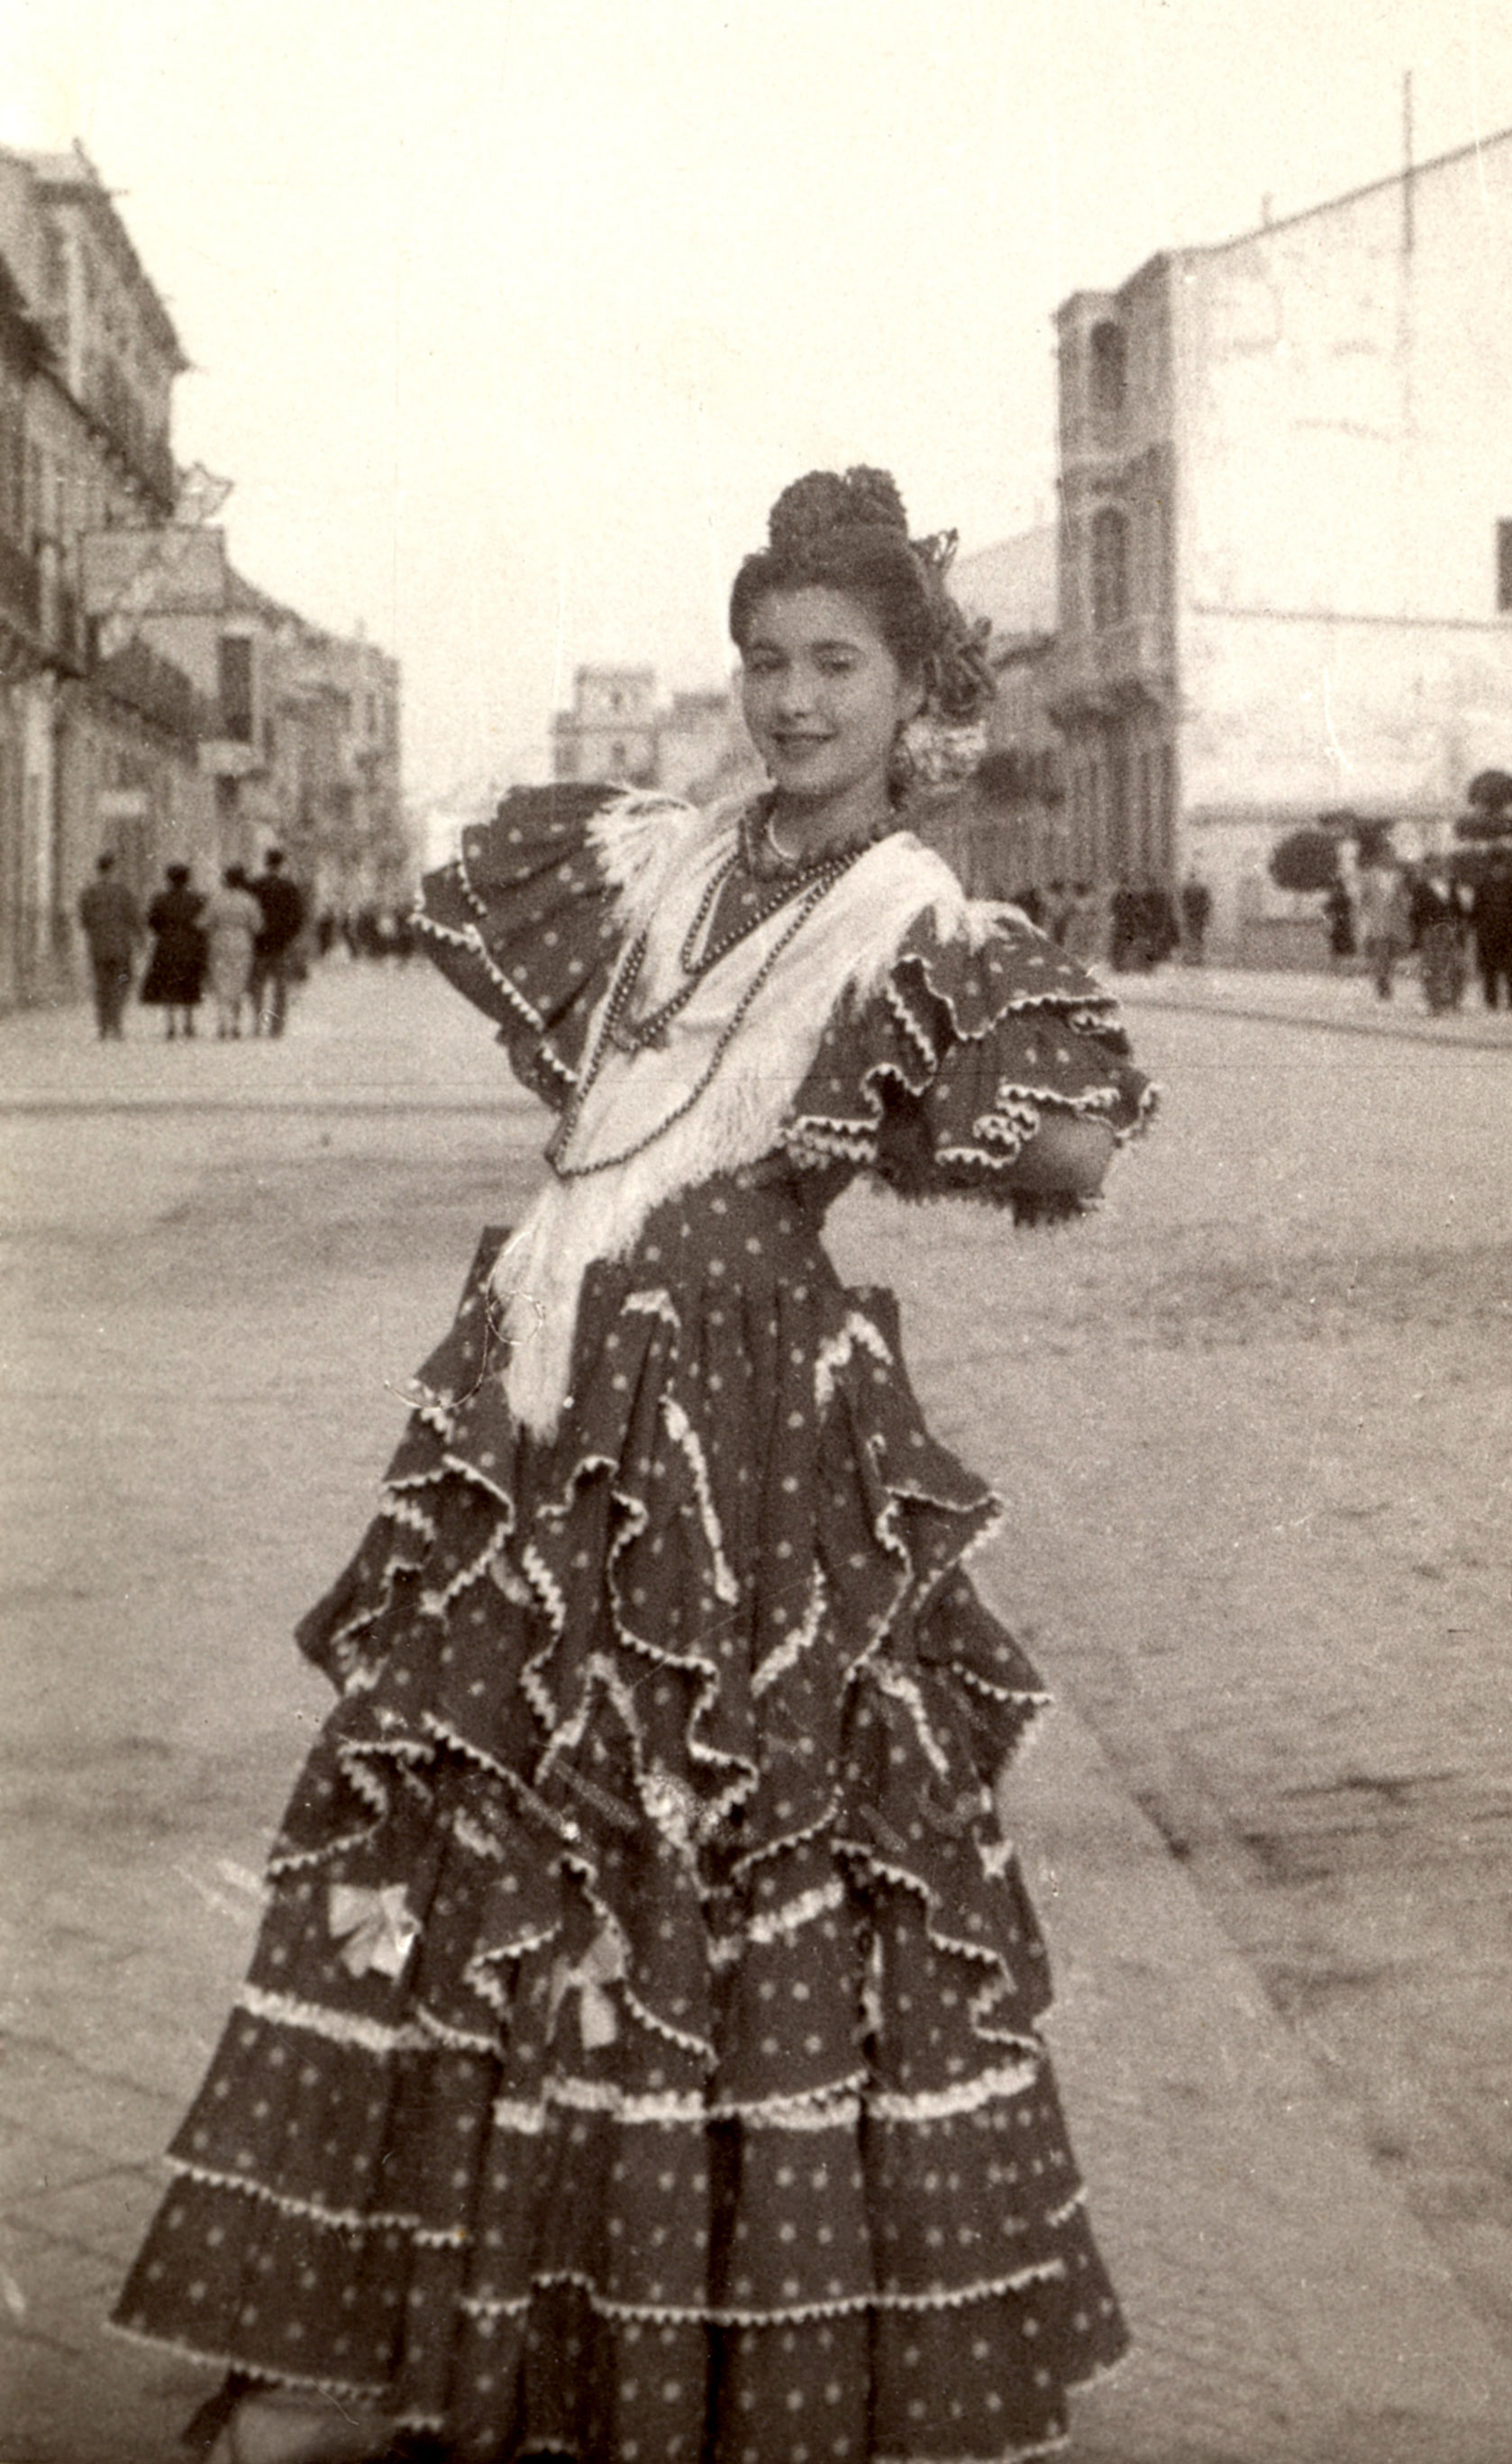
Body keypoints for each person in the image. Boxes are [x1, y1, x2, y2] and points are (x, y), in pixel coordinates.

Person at [114, 466, 1152, 2464]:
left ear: (914, 688)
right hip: (538, 1389)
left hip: (731, 1433)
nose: (789, 699)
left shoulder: (920, 914)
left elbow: (1068, 1144)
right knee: (472, 1818)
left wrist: (898, 1107)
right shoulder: (660, 855)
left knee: (700, 1838)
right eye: (763, 660)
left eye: (832, 663)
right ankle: (378, 2340)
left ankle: (710, 2349)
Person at [76, 851, 142, 1038]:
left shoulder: (89, 893)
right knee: (121, 982)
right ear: (113, 868)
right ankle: (116, 1022)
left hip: (98, 945)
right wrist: (140, 938)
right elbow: (133, 917)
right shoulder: (123, 892)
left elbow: (84, 920)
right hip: (121, 945)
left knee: (101, 984)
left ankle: (103, 1025)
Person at [139, 862, 209, 1039]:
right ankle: (188, 1023)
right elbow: (203, 923)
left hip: (167, 944)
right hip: (190, 945)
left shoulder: (159, 899)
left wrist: (165, 932)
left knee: (168, 983)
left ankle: (171, 1024)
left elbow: (152, 922)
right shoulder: (197, 899)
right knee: (189, 983)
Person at [250, 848, 308, 1036]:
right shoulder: (289, 887)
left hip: (259, 942)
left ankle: (258, 1022)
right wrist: (289, 936)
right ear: (281, 864)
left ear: (266, 863)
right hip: (281, 943)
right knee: (280, 986)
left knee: (257, 984)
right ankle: (276, 1026)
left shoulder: (255, 885)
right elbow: (298, 916)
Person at [204, 865, 266, 1038]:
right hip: (242, 942)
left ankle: (222, 1023)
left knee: (220, 982)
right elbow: (258, 926)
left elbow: (204, 922)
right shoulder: (249, 901)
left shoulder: (216, 900)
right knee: (238, 982)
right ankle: (236, 1024)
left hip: (219, 942)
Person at [1470, 845, 1512, 1010]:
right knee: (1490, 968)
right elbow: (1476, 909)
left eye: (1501, 867)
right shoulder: (1483, 885)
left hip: (1510, 933)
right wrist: (1479, 927)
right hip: (1489, 933)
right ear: (1491, 868)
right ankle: (1491, 1001)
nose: (1499, 870)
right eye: (1496, 867)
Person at [1355, 853, 1409, 1000]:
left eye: (1390, 857)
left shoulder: (1398, 878)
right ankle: (1383, 983)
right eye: (1385, 856)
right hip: (1377, 921)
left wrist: (1404, 914)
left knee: (1391, 954)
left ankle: (1385, 977)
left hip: (1394, 922)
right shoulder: (1370, 877)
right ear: (1379, 859)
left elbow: (1403, 899)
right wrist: (1364, 918)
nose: (1388, 859)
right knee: (1380, 953)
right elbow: (1363, 899)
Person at [1416, 871, 1468, 1015]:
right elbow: (1417, 912)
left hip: (1450, 930)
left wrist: (1458, 929)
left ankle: (1454, 1000)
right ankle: (1434, 1002)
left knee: (1455, 965)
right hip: (1430, 930)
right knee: (1432, 966)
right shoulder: (1423, 888)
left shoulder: (1452, 887)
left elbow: (1459, 911)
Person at [1323, 874, 1356, 971]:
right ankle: (1337, 967)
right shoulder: (1334, 899)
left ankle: (1345, 967)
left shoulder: (1344, 898)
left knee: (1345, 945)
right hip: (1337, 924)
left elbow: (1351, 911)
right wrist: (1328, 922)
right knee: (1336, 945)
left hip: (1344, 924)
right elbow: (1327, 912)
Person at [1180, 868, 1211, 965]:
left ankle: (1190, 957)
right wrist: (1206, 915)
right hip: (1198, 915)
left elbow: (1183, 902)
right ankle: (1197, 957)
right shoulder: (1202, 888)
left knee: (1190, 935)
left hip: (1190, 915)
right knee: (1198, 936)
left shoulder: (1187, 888)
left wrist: (1184, 912)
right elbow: (1207, 903)